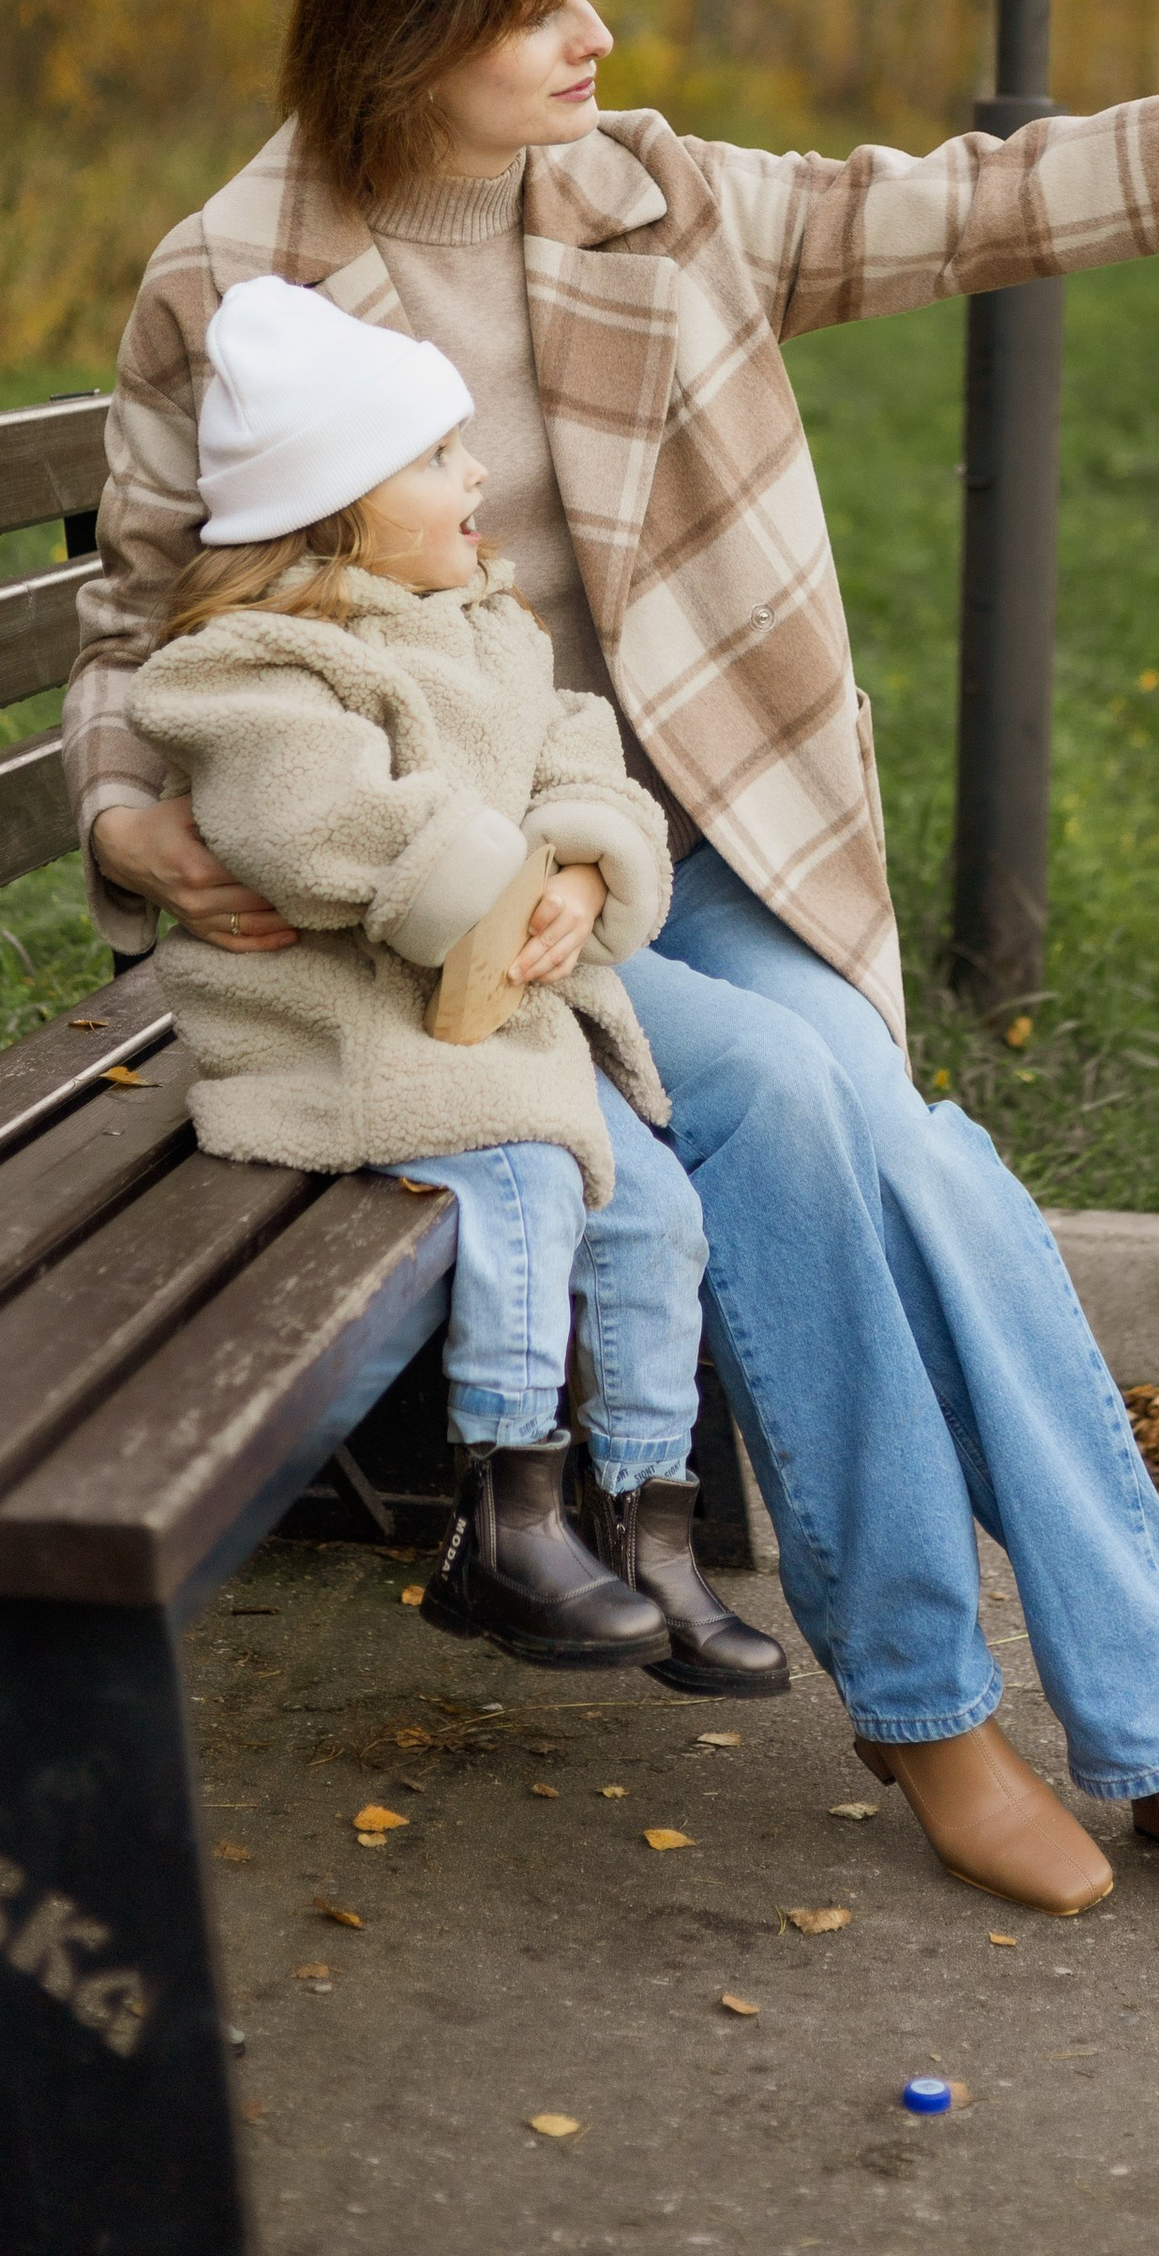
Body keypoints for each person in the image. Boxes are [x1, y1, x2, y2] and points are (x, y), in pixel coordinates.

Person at [70, 0, 1159, 1938]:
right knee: (798, 1105)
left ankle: (1155, 1726)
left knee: (905, 1148)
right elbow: (133, 623)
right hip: (431, 911)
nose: (595, 35)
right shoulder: (235, 278)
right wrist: (131, 828)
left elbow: (960, 202)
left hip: (698, 832)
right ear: (406, 41)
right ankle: (948, 1716)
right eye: (538, 6)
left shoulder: (657, 196)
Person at [127, 275, 785, 1697]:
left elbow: (575, 753)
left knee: (652, 1207)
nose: (477, 471)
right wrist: (489, 872)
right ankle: (500, 1516)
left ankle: (643, 1519)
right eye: (436, 455)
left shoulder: (484, 622)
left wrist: (583, 872)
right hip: (332, 1029)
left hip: (476, 1019)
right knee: (532, 1184)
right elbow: (309, 829)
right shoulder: (253, 666)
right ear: (332, 506)